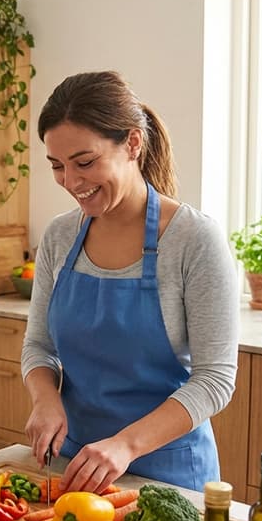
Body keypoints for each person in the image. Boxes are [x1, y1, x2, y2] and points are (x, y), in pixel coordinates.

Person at [22, 71, 238, 494]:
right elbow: (39, 347)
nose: (71, 181)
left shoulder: (194, 240)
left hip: (171, 475)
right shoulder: (60, 237)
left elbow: (215, 380)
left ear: (133, 144)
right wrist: (45, 399)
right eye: (57, 166)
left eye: (85, 162)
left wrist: (124, 446)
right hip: (78, 466)